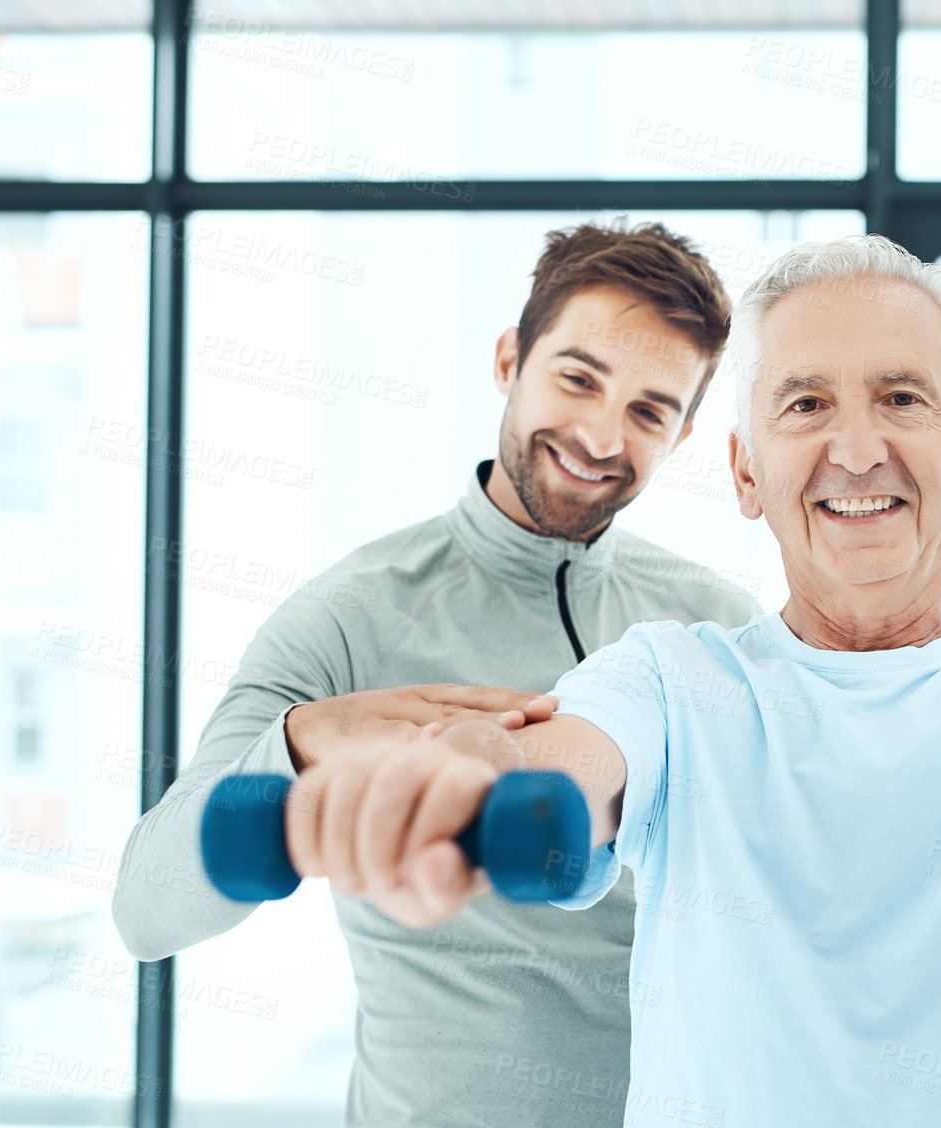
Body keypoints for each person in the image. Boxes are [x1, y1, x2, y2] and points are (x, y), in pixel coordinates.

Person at [286, 235, 941, 1126]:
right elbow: (555, 765)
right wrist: (470, 774)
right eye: (803, 405)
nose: (855, 448)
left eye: (902, 398)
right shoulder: (672, 677)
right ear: (747, 471)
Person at [112, 220, 763, 1128]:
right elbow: (147, 911)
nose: (600, 434)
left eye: (649, 410)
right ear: (509, 360)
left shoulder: (718, 625)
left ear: (684, 432)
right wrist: (301, 744)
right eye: (578, 378)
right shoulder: (350, 614)